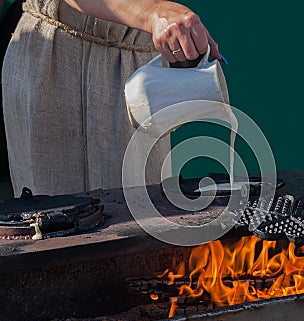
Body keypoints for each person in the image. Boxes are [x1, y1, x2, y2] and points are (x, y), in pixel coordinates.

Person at [2, 0, 221, 196]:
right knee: (55, 221)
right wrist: (155, 12)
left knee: (143, 219)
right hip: (56, 59)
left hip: (139, 59)